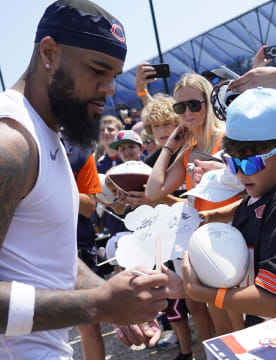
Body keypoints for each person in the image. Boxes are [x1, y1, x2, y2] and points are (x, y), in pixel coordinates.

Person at [0, 1, 168, 358]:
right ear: (50, 53)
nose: (109, 89)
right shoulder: (10, 142)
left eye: (115, 75)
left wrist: (115, 298)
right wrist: (97, 304)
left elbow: (47, 254)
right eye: (97, 70)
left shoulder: (49, 135)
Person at [181, 87, 276, 329]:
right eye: (232, 162)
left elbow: (272, 302)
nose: (240, 173)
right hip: (268, 334)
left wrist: (202, 293)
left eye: (250, 163)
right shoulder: (255, 198)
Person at [146, 73, 243, 338]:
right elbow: (154, 191)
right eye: (180, 107)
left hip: (236, 240)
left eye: (194, 104)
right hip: (204, 244)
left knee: (241, 326)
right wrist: (168, 146)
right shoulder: (189, 150)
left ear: (208, 103)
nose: (187, 112)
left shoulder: (228, 138)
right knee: (222, 326)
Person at [141, 93, 194, 360]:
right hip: (169, 242)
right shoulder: (154, 163)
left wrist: (159, 196)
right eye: (155, 126)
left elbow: (192, 207)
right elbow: (153, 203)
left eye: (166, 123)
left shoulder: (195, 149)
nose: (162, 131)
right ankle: (187, 353)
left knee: (204, 305)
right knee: (176, 306)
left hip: (197, 238)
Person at [63, 137, 106, 360]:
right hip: (27, 250)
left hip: (77, 247)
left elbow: (90, 207)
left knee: (88, 325)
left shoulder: (78, 151)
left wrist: (54, 184)